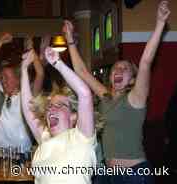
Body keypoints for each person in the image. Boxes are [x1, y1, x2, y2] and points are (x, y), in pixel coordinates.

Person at [64, 1, 170, 183]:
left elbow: (145, 62)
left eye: (125, 69)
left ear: (133, 79)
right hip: (108, 174)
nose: (118, 71)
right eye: (115, 69)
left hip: (134, 175)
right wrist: (70, 41)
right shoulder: (105, 96)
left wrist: (160, 23)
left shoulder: (136, 98)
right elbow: (82, 71)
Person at [21, 48, 96, 184]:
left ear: (74, 116)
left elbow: (84, 94)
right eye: (49, 106)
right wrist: (24, 70)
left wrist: (58, 63)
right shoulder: (44, 138)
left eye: (60, 105)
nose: (51, 109)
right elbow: (28, 109)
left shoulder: (81, 138)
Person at [0, 33, 44, 151]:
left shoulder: (26, 95)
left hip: (19, 152)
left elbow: (40, 74)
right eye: (1, 78)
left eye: (6, 77)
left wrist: (31, 51)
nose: (3, 80)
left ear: (17, 79)